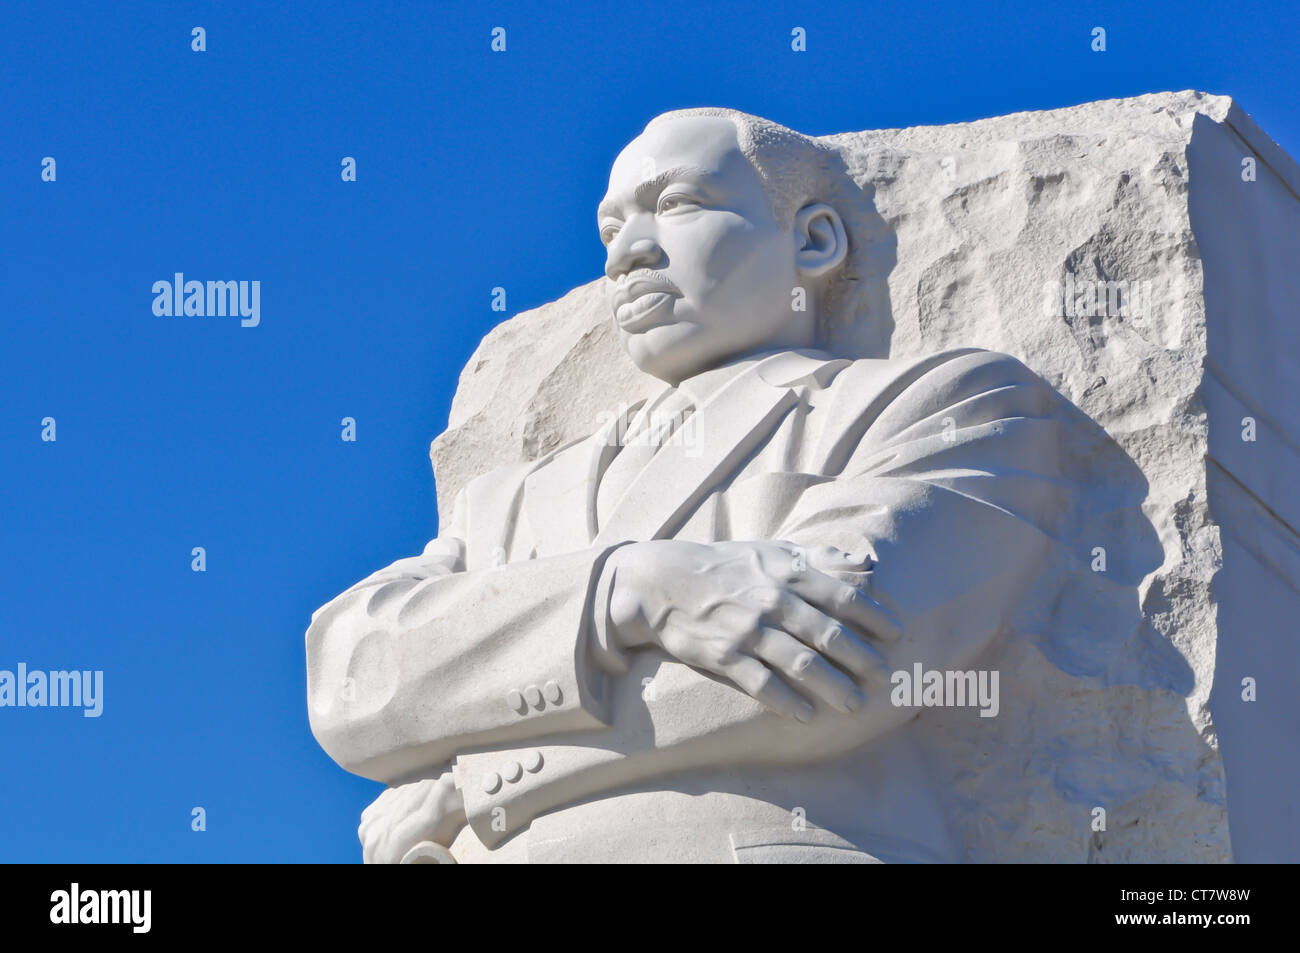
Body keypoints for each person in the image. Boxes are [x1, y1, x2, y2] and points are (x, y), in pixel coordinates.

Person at [307, 108, 1071, 863]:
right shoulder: (504, 500)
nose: (625, 256)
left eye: (675, 205)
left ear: (812, 240)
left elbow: (841, 661)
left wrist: (478, 781)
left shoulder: (937, 403)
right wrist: (626, 588)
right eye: (610, 231)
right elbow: (354, 678)